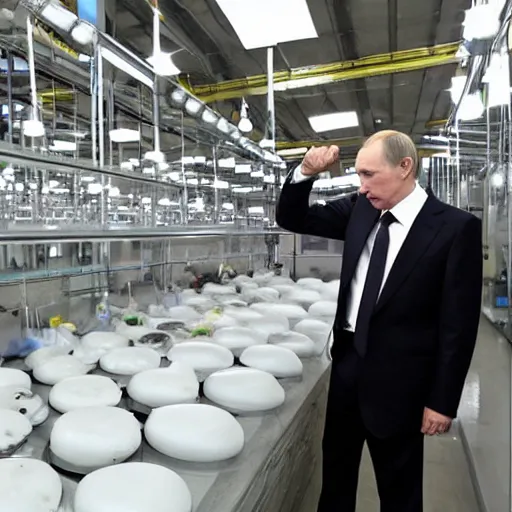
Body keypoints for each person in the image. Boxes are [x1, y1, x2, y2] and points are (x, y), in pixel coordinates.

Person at [276, 130, 483, 512]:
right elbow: (293, 217)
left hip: (402, 384)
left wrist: (442, 401)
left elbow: (458, 324)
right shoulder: (361, 208)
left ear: (405, 167)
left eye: (369, 174)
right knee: (336, 480)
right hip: (348, 368)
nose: (362, 185)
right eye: (358, 175)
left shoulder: (454, 228)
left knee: (399, 491)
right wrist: (305, 172)